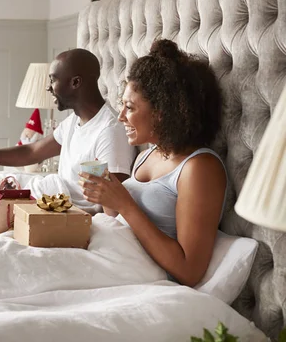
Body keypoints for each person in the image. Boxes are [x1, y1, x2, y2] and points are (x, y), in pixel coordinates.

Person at [79, 39, 226, 287]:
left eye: (129, 107)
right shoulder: (147, 155)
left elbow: (189, 271)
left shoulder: (199, 168)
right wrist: (107, 193)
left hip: (142, 278)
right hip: (113, 259)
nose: (121, 116)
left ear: (162, 111)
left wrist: (125, 204)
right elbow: (120, 224)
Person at [0, 48, 137, 208]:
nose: (49, 87)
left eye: (53, 79)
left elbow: (112, 206)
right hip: (44, 196)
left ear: (75, 82)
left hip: (56, 209)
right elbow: (31, 152)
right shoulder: (73, 122)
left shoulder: (110, 131)